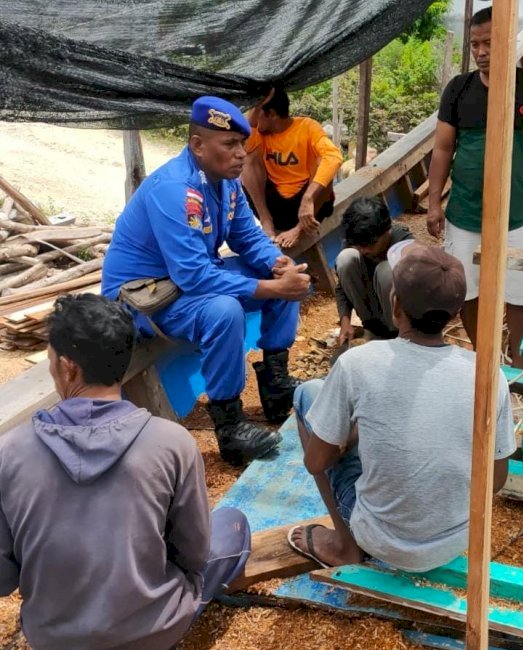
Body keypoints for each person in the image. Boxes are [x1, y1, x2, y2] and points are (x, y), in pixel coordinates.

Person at [0, 295, 253, 650]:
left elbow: (3, 578)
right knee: (230, 523)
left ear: (67, 368)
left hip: (52, 639)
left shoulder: (9, 453)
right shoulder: (171, 442)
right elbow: (194, 553)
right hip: (150, 629)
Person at [103, 95, 311, 467]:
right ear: (198, 145)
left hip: (183, 282)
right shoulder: (174, 189)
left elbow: (248, 238)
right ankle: (230, 429)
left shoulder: (225, 182)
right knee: (224, 310)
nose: (240, 155)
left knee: (282, 271)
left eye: (242, 145)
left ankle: (276, 388)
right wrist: (270, 288)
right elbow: (194, 275)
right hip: (144, 297)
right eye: (229, 145)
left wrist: (279, 266)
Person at [288, 246, 516, 571]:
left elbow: (316, 462)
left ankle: (346, 546)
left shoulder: (357, 364)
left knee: (308, 394)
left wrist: (351, 438)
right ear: (454, 314)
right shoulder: (487, 374)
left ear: (395, 305)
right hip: (454, 541)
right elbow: (496, 479)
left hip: (379, 539)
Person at [427, 6, 523, 367]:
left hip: (516, 215)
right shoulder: (459, 90)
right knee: (465, 289)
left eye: (488, 43)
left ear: (507, 42)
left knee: (520, 291)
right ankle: (483, 356)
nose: (481, 52)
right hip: (464, 213)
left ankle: (516, 360)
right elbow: (442, 149)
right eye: (475, 45)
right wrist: (434, 202)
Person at [242, 87, 343, 249]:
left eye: (258, 112)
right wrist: (259, 102)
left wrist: (308, 198)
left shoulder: (307, 126)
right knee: (247, 158)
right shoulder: (258, 134)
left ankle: (298, 230)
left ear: (272, 114)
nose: (254, 118)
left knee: (323, 164)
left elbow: (334, 156)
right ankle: (266, 221)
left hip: (308, 208)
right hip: (275, 207)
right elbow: (243, 132)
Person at [335, 197, 415, 344]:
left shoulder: (404, 244)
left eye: (369, 244)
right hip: (373, 316)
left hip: (402, 322)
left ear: (386, 231)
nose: (364, 250)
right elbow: (342, 288)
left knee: (385, 270)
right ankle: (373, 331)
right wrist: (345, 321)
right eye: (360, 245)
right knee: (346, 258)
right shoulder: (356, 239)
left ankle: (397, 337)